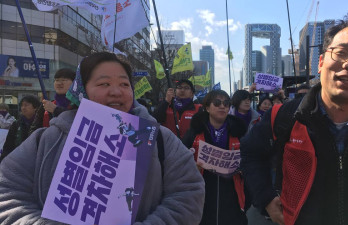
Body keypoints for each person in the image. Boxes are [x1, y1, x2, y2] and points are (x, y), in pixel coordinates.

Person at [0, 52, 205, 224]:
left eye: (124, 84)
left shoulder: (160, 139)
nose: (116, 92)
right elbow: (7, 192)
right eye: (104, 83)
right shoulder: (46, 139)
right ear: (82, 90)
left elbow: (188, 194)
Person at [240, 6, 348, 225]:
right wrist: (265, 197)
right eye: (342, 52)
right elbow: (250, 154)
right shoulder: (284, 116)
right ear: (322, 61)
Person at [182, 90, 248, 225]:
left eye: (226, 103)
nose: (222, 106)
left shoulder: (240, 132)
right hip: (202, 193)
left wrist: (243, 168)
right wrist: (192, 166)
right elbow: (181, 160)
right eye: (217, 103)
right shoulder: (195, 132)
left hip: (233, 194)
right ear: (207, 107)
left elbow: (251, 160)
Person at [30, 68, 75, 134]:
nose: (59, 83)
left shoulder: (78, 105)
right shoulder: (45, 106)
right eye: (56, 80)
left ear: (74, 83)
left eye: (64, 80)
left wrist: (55, 110)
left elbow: (74, 123)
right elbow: (33, 132)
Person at [0, 95, 40, 162]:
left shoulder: (41, 123)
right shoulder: (16, 124)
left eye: (26, 105)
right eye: (22, 105)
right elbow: (8, 146)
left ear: (35, 107)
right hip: (18, 161)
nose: (23, 108)